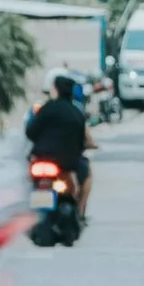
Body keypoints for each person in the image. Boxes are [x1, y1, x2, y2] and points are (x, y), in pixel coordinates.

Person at [23, 74, 93, 221]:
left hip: (41, 158)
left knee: (26, 178)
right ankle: (80, 212)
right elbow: (81, 142)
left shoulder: (46, 109)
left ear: (56, 90)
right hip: (67, 162)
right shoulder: (76, 112)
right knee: (86, 175)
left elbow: (30, 132)